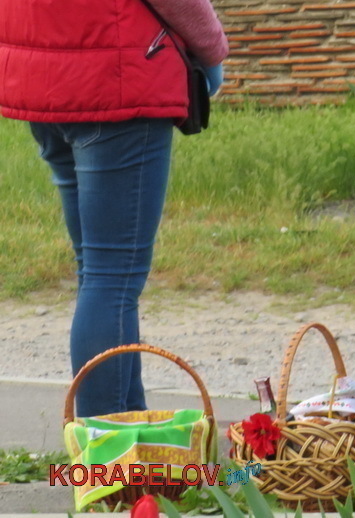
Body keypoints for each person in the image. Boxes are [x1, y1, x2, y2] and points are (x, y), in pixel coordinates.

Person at [0, 0, 229, 417]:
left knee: (97, 272)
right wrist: (211, 48)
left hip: (41, 80)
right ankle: (106, 459)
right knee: (111, 279)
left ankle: (131, 431)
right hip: (117, 79)